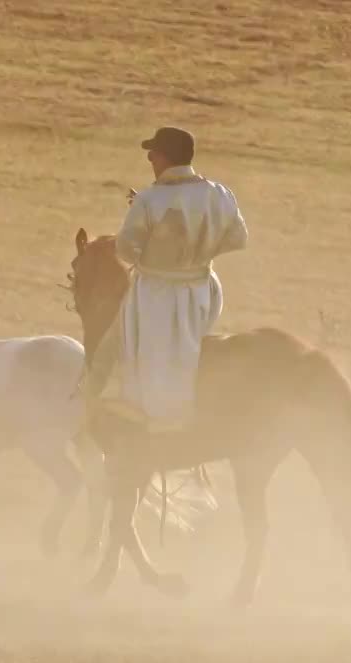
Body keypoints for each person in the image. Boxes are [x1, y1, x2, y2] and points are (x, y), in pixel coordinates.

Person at [91, 126, 249, 433]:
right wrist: (199, 253)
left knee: (137, 350)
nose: (150, 158)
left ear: (164, 157)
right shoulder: (220, 193)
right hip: (205, 289)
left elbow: (125, 249)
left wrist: (157, 257)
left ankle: (149, 416)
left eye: (153, 153)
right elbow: (239, 238)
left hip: (157, 294)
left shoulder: (150, 199)